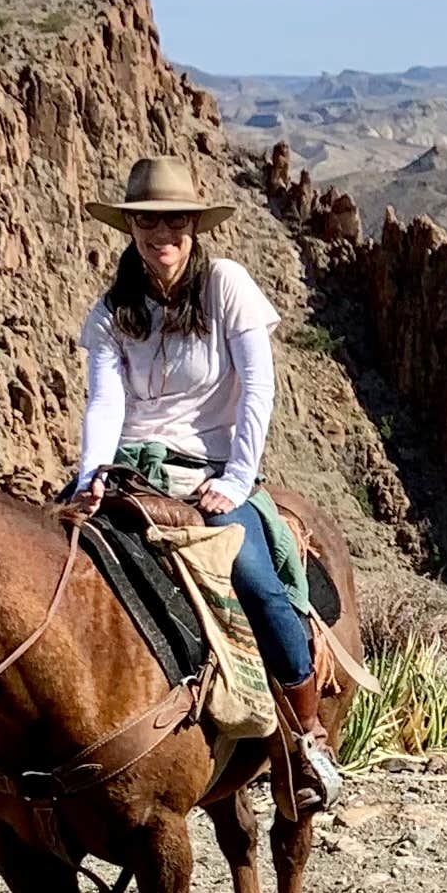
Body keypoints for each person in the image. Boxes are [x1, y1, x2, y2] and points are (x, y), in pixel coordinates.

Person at [71, 153, 343, 808]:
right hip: (131, 469)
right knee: (58, 566)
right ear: (131, 230)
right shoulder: (114, 311)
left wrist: (239, 477)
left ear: (194, 225)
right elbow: (106, 403)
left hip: (211, 472)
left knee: (260, 585)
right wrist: (89, 476)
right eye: (148, 225)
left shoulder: (226, 287)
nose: (162, 238)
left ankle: (306, 737)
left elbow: (258, 389)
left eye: (175, 224)